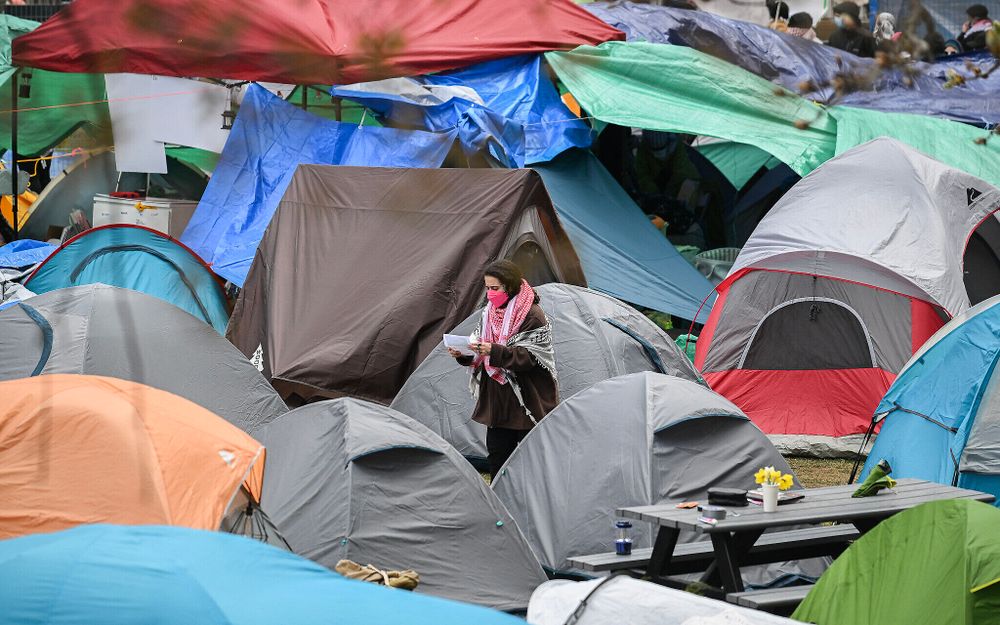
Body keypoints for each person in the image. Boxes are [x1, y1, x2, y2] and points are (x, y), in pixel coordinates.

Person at [449, 260, 558, 478]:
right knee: (498, 455)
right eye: (487, 288)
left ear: (509, 285)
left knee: (532, 459)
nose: (490, 293)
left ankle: (532, 506)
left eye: (494, 288)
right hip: (498, 400)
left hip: (527, 400)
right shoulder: (489, 312)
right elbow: (479, 345)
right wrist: (465, 354)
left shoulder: (533, 315)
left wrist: (493, 350)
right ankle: (500, 504)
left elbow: (530, 357)